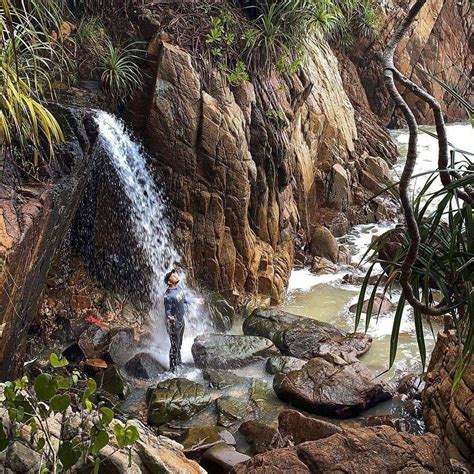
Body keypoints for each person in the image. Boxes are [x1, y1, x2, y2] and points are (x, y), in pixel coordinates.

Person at [163, 269, 204, 372]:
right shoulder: (168, 296)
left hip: (181, 321)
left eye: (175, 274)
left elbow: (184, 300)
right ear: (169, 281)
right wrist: (169, 317)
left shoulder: (178, 289)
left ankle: (179, 363)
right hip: (174, 324)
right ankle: (172, 369)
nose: (176, 276)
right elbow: (167, 310)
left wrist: (195, 300)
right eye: (173, 275)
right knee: (174, 346)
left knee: (179, 343)